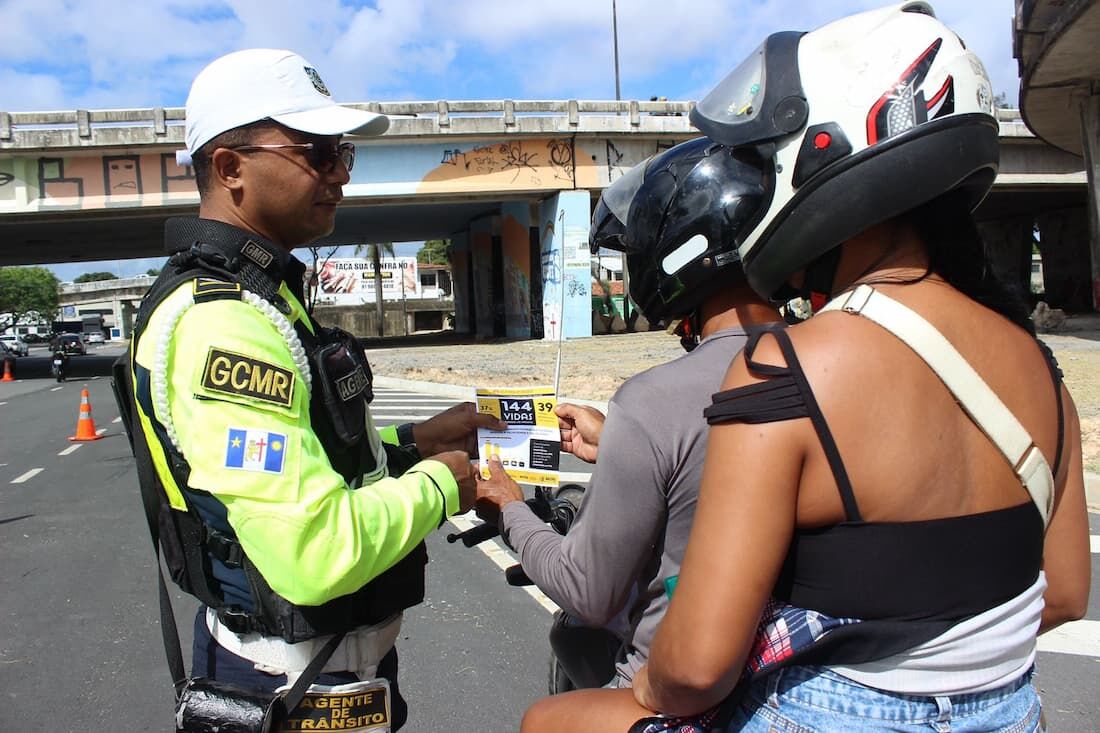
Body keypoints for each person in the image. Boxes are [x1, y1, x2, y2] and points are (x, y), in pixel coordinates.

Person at [521, 4, 1091, 732]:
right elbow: (1067, 590)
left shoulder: (783, 370)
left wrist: (644, 690)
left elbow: (695, 668)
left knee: (549, 719)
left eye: (771, 156)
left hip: (823, 715)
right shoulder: (1038, 366)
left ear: (830, 150)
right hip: (1010, 714)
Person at [122, 48, 505, 731]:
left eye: (343, 154)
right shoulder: (224, 324)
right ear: (230, 167)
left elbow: (304, 455)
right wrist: (449, 482)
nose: (337, 174)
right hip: (291, 683)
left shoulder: (260, 295)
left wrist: (417, 440)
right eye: (315, 152)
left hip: (328, 671)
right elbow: (316, 553)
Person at [474, 136, 782, 688]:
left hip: (677, 680)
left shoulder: (655, 398)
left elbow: (586, 592)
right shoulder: (831, 363)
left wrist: (510, 509)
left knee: (545, 724)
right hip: (792, 662)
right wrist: (618, 438)